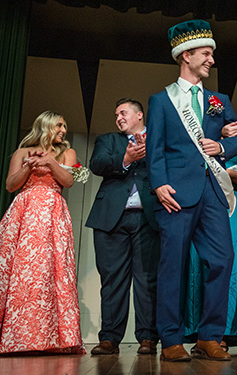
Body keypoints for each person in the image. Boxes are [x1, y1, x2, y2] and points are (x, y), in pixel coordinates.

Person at [146, 19, 237, 362]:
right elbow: (155, 147)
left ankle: (209, 336)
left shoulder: (220, 100)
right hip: (175, 193)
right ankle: (171, 339)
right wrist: (159, 184)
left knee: (223, 259)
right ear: (185, 56)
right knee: (172, 265)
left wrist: (222, 146)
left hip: (213, 193)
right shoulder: (161, 101)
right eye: (206, 54)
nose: (211, 61)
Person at [0, 111, 84, 354]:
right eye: (59, 126)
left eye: (65, 126)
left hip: (53, 212)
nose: (63, 130)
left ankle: (48, 339)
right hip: (23, 213)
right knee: (18, 269)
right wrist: (28, 167)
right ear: (45, 127)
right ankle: (9, 336)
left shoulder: (68, 153)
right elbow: (10, 185)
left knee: (49, 270)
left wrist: (50, 162)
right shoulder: (22, 152)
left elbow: (67, 181)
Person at [86, 98, 160, 355]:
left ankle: (148, 338)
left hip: (147, 219)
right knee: (112, 281)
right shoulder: (108, 140)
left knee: (147, 280)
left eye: (123, 112)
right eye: (116, 114)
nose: (118, 117)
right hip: (111, 220)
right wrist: (126, 158)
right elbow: (97, 165)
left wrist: (149, 152)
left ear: (140, 115)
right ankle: (109, 338)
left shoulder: (158, 139)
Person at [184, 146, 237, 349]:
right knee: (199, 264)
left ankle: (222, 333)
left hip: (233, 204)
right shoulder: (200, 140)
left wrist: (225, 172)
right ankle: (201, 332)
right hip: (201, 201)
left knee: (231, 266)